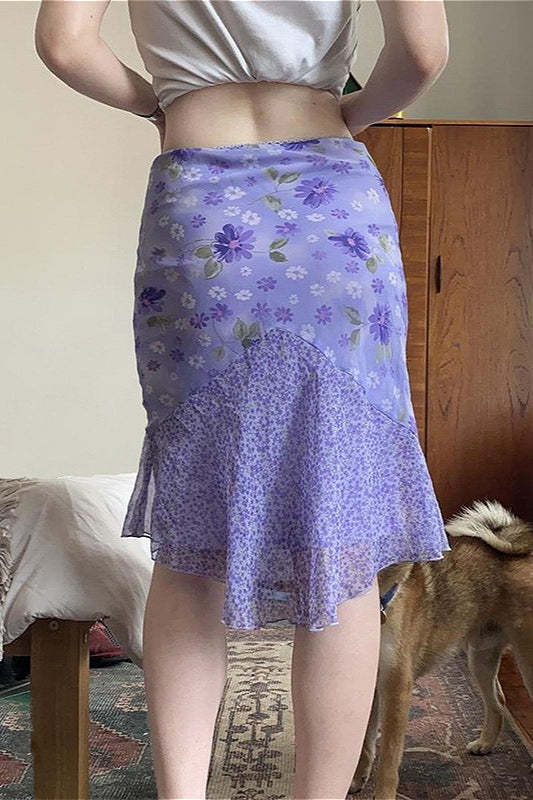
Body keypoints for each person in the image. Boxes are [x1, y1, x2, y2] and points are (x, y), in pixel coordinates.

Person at [34, 1, 449, 798]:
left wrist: (163, 102)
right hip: (333, 206)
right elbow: (422, 53)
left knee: (190, 543)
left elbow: (63, 43)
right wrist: (349, 111)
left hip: (198, 198)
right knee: (338, 538)